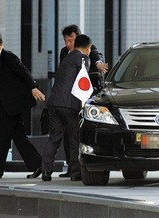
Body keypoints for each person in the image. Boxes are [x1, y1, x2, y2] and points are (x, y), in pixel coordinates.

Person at [0, 30, 45, 179]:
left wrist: (33, 87)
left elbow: (23, 72)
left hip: (12, 108)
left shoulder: (8, 57)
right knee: (19, 138)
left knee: (1, 138)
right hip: (7, 108)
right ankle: (39, 165)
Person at [58, 24, 108, 177]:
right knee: (68, 133)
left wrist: (99, 64)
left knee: (79, 132)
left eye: (71, 40)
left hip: (85, 98)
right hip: (68, 98)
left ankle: (82, 167)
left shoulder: (88, 48)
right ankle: (71, 166)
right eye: (66, 40)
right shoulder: (64, 53)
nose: (68, 44)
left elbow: (97, 56)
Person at [41, 34, 92, 181]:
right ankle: (76, 173)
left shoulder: (66, 58)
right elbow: (83, 82)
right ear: (88, 48)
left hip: (54, 102)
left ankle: (46, 171)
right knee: (74, 139)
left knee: (54, 138)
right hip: (70, 104)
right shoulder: (83, 58)